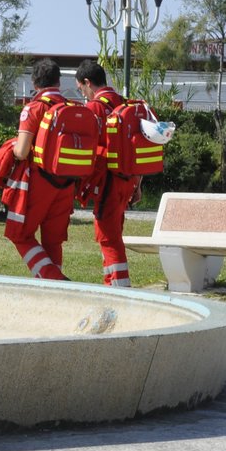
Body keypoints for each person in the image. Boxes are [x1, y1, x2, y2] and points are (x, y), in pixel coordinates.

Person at [5, 58, 77, 281]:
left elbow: (22, 151)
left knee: (20, 234)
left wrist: (11, 147)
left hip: (40, 181)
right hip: (67, 182)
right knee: (52, 240)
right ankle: (51, 286)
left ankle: (53, 279)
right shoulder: (72, 107)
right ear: (58, 81)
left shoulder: (34, 108)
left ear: (35, 83)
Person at [75, 59, 136, 287]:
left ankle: (122, 292)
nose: (83, 94)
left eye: (81, 88)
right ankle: (110, 285)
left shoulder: (94, 108)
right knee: (112, 235)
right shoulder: (124, 104)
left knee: (108, 238)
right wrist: (137, 185)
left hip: (108, 182)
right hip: (127, 180)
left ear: (88, 83)